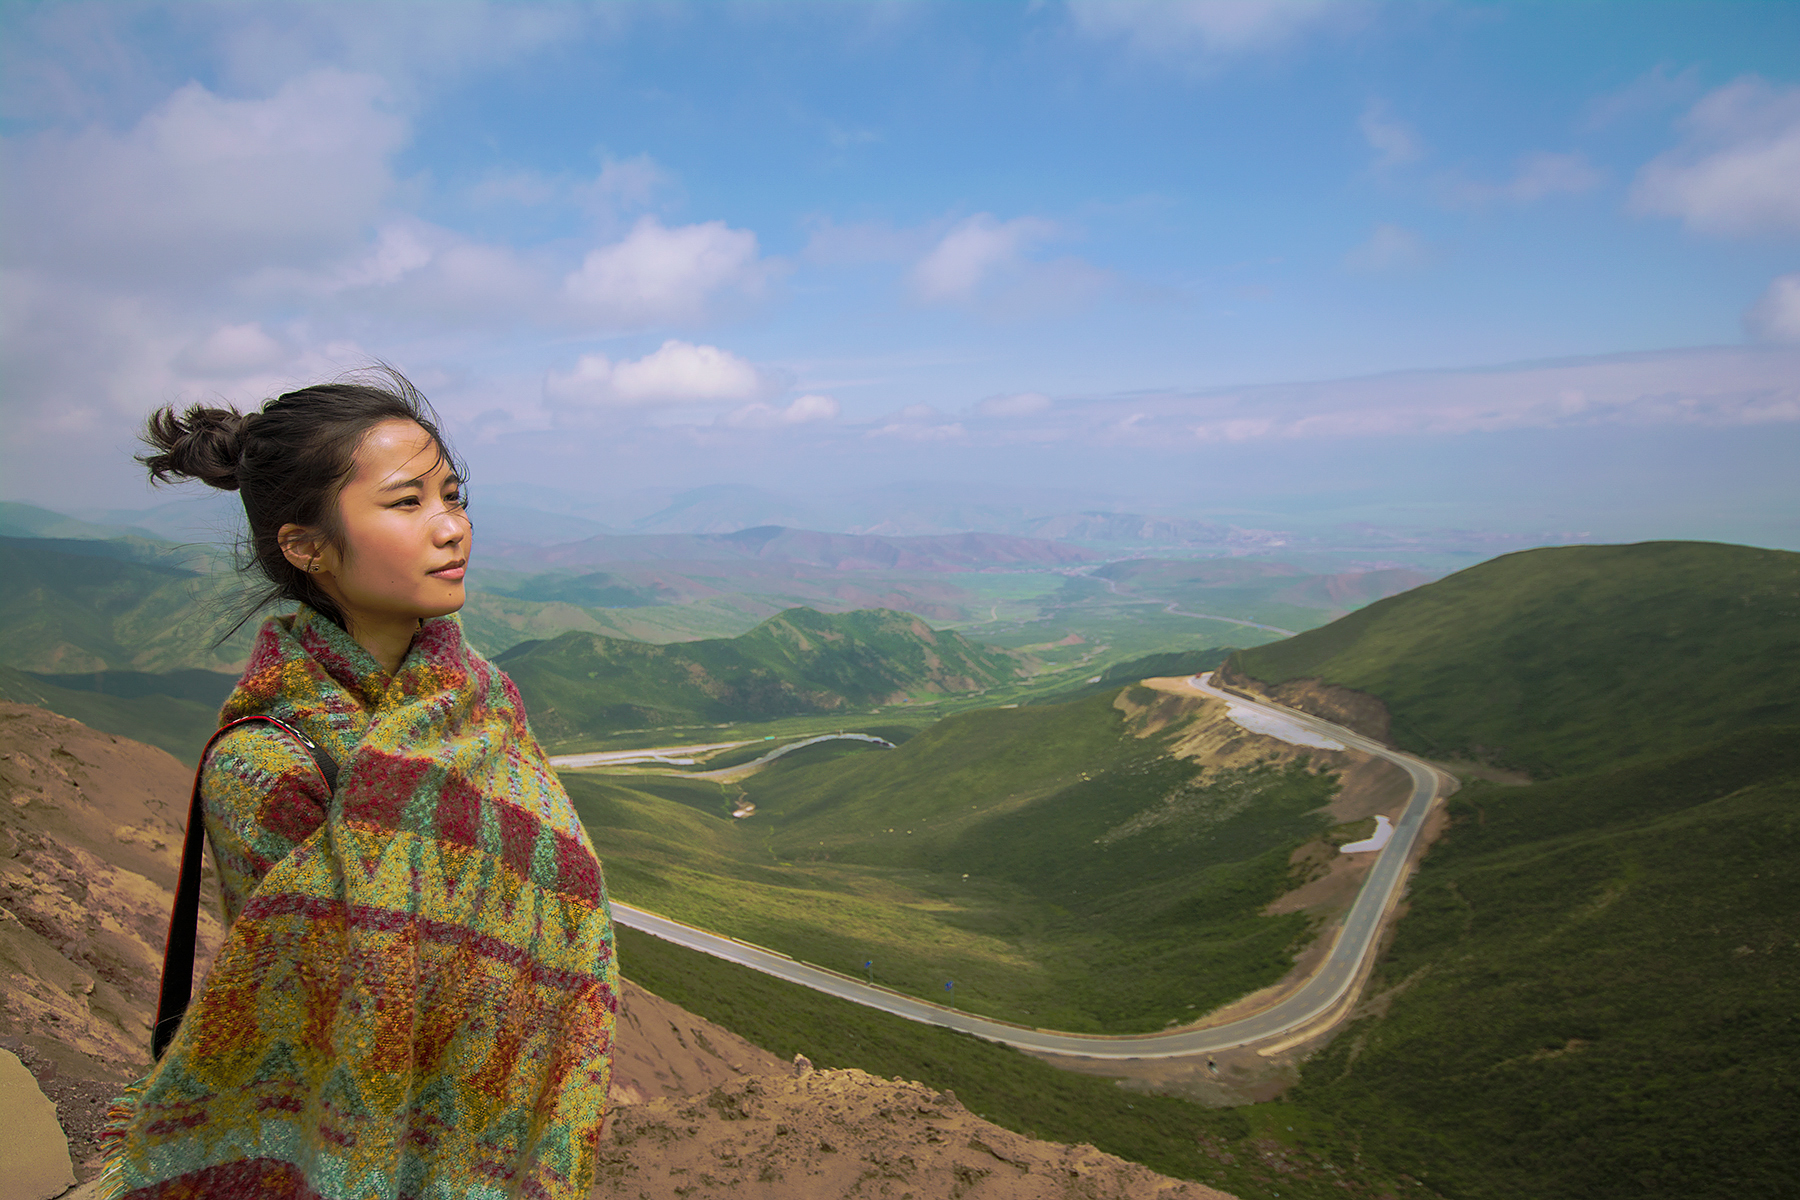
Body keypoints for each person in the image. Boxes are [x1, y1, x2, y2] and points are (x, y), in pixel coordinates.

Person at [98, 369, 618, 1199]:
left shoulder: (479, 707)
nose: (452, 529)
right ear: (307, 546)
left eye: (454, 495)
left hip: (511, 1137)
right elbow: (321, 1028)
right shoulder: (268, 768)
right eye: (408, 503)